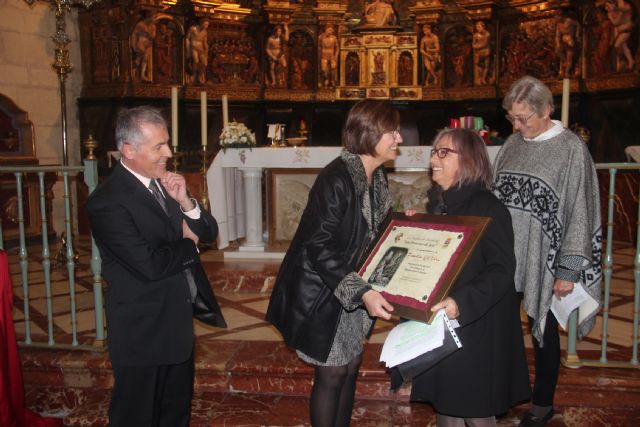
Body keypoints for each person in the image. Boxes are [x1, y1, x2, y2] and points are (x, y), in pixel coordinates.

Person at [87, 106, 226, 426]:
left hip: (176, 323)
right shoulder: (107, 201)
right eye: (159, 147)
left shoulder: (165, 182)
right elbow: (148, 265)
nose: (170, 153)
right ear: (128, 150)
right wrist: (188, 243)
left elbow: (209, 231)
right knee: (137, 415)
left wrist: (187, 203)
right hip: (142, 330)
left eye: (167, 143)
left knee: (175, 413)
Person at [266, 99, 401, 427]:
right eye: (392, 131)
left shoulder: (374, 176)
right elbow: (318, 246)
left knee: (351, 364)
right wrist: (362, 292)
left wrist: (401, 225)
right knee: (332, 372)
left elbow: (369, 228)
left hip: (348, 286)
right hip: (323, 292)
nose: (399, 138)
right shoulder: (337, 179)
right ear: (369, 134)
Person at [493, 76, 602, 427]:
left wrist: (567, 271)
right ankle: (502, 396)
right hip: (506, 257)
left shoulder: (571, 149)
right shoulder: (512, 143)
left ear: (547, 110)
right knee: (503, 331)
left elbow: (581, 212)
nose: (517, 125)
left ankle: (542, 405)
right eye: (512, 117)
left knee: (543, 332)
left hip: (547, 259)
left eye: (524, 118)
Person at [405, 128, 530, 427]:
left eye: (444, 152)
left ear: (469, 160)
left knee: (475, 410)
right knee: (447, 403)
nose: (434, 157)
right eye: (434, 151)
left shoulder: (488, 207)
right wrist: (413, 234)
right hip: (444, 323)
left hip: (476, 325)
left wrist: (461, 301)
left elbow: (502, 269)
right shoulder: (440, 204)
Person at [605, 0, 636, 72]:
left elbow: (618, 22)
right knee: (625, 48)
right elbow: (615, 23)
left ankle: (622, 62)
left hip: (625, 31)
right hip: (620, 32)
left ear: (613, 5)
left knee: (617, 46)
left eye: (608, 6)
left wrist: (618, 15)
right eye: (605, 6)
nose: (606, 8)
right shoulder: (611, 13)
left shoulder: (622, 10)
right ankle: (630, 62)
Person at [131, 14, 156, 82]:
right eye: (151, 18)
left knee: (145, 59)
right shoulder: (140, 24)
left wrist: (149, 34)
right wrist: (134, 44)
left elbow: (153, 36)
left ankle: (142, 75)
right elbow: (135, 34)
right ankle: (134, 74)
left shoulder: (152, 26)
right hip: (141, 42)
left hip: (148, 44)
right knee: (139, 57)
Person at [555, 13, 579, 77]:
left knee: (569, 57)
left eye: (557, 17)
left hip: (570, 42)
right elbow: (557, 35)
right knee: (558, 51)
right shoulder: (559, 25)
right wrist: (558, 43)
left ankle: (567, 72)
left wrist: (577, 34)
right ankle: (565, 62)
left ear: (561, 16)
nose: (556, 19)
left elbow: (577, 24)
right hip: (563, 42)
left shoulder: (569, 20)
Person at [186, 19, 210, 85]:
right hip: (193, 47)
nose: (206, 26)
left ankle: (201, 77)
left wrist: (206, 48)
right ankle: (193, 77)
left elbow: (205, 42)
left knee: (204, 63)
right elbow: (187, 38)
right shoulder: (193, 29)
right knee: (195, 61)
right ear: (201, 23)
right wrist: (187, 49)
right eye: (205, 24)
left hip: (201, 48)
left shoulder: (205, 32)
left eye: (207, 25)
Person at [266, 22, 290, 87]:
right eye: (278, 31)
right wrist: (272, 56)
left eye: (280, 31)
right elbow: (267, 49)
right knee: (272, 68)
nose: (279, 33)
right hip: (273, 55)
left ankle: (282, 79)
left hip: (280, 54)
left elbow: (287, 39)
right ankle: (274, 81)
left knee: (284, 65)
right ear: (275, 31)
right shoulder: (270, 39)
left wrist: (286, 29)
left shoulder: (281, 37)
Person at [472, 21, 492, 85]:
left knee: (487, 65)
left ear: (483, 27)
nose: (478, 29)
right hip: (478, 53)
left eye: (479, 27)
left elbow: (485, 44)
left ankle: (484, 78)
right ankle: (480, 78)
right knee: (479, 65)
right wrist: (477, 46)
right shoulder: (476, 35)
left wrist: (478, 46)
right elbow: (473, 45)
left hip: (486, 51)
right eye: (477, 27)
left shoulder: (487, 34)